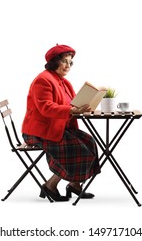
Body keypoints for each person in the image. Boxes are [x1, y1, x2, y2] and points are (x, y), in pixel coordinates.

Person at [22, 44, 99, 202]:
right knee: (76, 148)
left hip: (57, 127)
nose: (68, 65)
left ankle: (74, 184)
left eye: (70, 62)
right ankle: (50, 185)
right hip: (38, 132)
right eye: (64, 61)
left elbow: (72, 104)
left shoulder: (64, 82)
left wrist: (84, 107)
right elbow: (46, 107)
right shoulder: (42, 80)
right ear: (54, 62)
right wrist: (71, 111)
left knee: (88, 142)